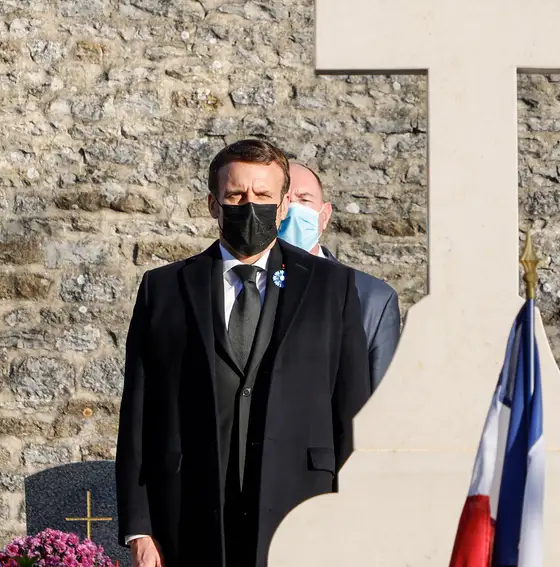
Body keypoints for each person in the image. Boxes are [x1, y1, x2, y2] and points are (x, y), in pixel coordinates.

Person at [115, 139, 371, 567]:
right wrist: (140, 528)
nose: (249, 206)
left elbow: (351, 408)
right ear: (213, 204)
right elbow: (139, 413)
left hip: (301, 504)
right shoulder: (163, 289)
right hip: (187, 512)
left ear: (284, 204)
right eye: (236, 195)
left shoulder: (332, 287)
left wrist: (352, 516)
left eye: (263, 195)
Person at [277, 162, 401, 389]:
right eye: (283, 201)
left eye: (304, 200)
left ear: (324, 215)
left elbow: (380, 396)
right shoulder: (240, 282)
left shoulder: (372, 298)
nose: (293, 210)